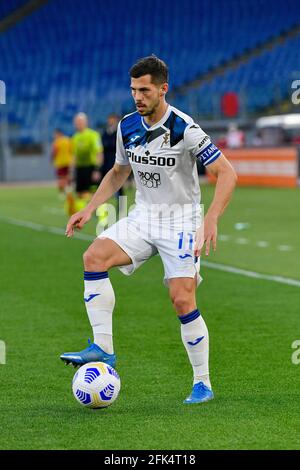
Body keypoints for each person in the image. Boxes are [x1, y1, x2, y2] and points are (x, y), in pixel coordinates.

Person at [61, 56, 237, 404]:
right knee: (93, 257)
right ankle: (103, 348)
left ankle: (202, 382)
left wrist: (212, 217)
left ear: (162, 89)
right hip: (144, 216)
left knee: (182, 298)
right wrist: (90, 207)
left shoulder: (185, 129)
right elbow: (118, 172)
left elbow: (227, 173)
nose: (137, 97)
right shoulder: (127, 126)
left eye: (144, 90)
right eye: (133, 90)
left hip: (182, 221)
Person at [71, 113, 104, 212]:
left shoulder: (93, 135)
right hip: (80, 169)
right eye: (76, 122)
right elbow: (74, 155)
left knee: (95, 193)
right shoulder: (75, 137)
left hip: (91, 168)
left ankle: (103, 217)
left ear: (86, 122)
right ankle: (80, 219)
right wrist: (72, 171)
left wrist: (97, 170)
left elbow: (99, 152)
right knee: (80, 194)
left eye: (80, 122)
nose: (78, 124)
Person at [51, 129, 72, 196]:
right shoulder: (68, 140)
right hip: (68, 161)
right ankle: (68, 189)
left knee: (60, 177)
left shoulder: (57, 142)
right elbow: (71, 150)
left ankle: (61, 192)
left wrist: (52, 158)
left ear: (59, 134)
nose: (54, 136)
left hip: (60, 162)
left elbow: (55, 152)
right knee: (67, 176)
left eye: (55, 134)